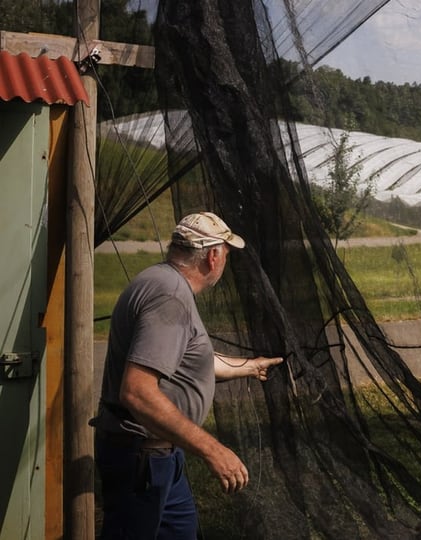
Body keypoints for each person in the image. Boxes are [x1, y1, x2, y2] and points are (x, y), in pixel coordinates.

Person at [90, 211, 283, 539]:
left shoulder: (160, 280)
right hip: (142, 458)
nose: (226, 261)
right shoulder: (169, 298)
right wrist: (213, 450)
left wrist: (249, 367)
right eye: (227, 253)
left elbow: (185, 360)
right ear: (213, 256)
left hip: (162, 455)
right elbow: (137, 391)